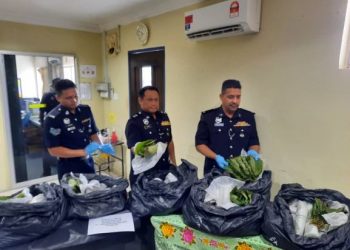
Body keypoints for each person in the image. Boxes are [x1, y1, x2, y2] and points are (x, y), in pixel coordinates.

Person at [43, 79, 114, 180]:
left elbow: (93, 133)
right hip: (68, 167)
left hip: (88, 164)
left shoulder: (85, 110)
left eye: (76, 96)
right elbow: (53, 150)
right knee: (73, 194)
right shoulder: (53, 119)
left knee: (93, 192)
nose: (74, 100)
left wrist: (100, 146)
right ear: (58, 98)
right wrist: (84, 152)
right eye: (69, 98)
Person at [195, 79, 260, 175]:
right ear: (221, 97)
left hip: (242, 173)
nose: (235, 101)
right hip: (215, 172)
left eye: (238, 97)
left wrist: (253, 152)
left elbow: (254, 142)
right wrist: (215, 157)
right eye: (230, 97)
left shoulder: (248, 117)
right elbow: (200, 144)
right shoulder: (208, 117)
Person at [125, 86, 176, 185]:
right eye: (150, 100)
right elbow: (135, 149)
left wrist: (174, 162)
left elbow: (169, 141)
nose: (154, 103)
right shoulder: (134, 122)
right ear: (140, 100)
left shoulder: (164, 117)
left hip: (164, 171)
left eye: (156, 100)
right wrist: (154, 150)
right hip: (144, 175)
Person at [40, 78, 60, 176]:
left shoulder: (61, 96)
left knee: (61, 147)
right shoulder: (47, 96)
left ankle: (61, 169)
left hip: (60, 125)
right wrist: (42, 125)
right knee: (47, 149)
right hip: (49, 125)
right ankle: (46, 172)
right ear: (53, 85)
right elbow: (41, 110)